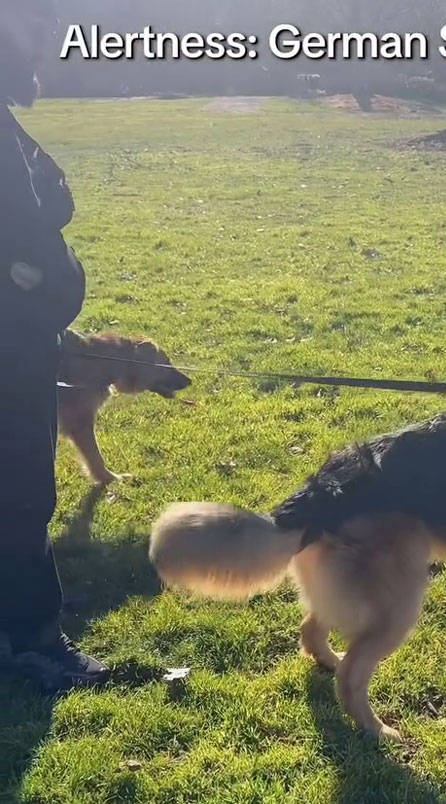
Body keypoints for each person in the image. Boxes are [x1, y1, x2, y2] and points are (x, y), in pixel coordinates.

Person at [0, 0, 108, 690]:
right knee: (19, 489)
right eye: (33, 33)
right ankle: (32, 640)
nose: (44, 49)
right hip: (10, 347)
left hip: (23, 335)